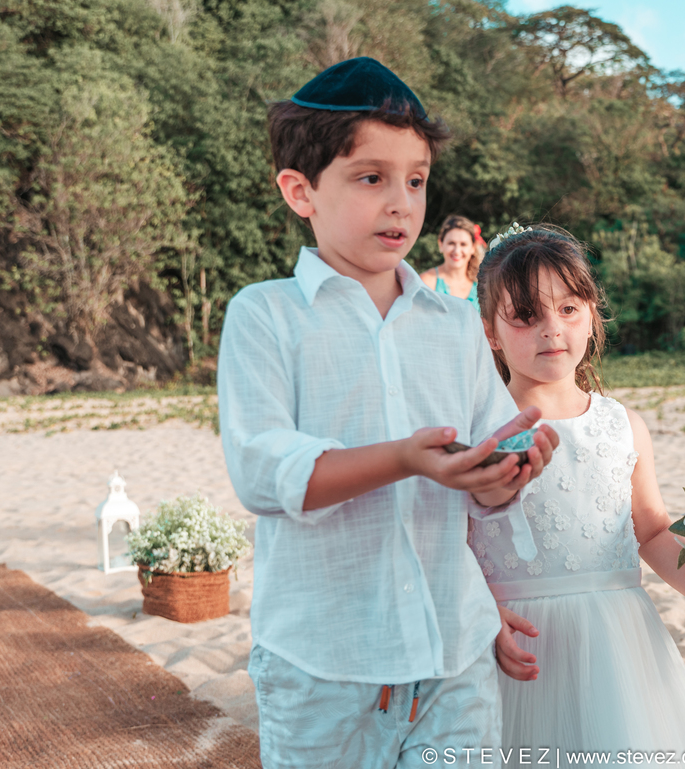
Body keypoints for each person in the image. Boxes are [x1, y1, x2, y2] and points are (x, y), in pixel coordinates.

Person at [217, 57, 559, 769]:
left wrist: (506, 475)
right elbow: (262, 470)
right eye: (371, 178)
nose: (401, 202)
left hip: (454, 650)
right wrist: (402, 458)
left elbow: (484, 468)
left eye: (416, 179)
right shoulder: (265, 315)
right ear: (300, 190)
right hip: (323, 666)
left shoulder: (454, 322)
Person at [466, 224, 685, 764]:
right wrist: (478, 608)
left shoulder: (620, 424)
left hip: (616, 641)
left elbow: (651, 530)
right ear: (491, 331)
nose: (551, 330)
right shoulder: (476, 429)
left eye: (568, 309)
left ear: (591, 313)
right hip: (511, 637)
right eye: (526, 315)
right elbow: (450, 542)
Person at [421, 214, 487, 312]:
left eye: (463, 244)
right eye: (451, 243)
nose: (457, 251)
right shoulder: (426, 282)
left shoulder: (482, 286)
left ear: (473, 247)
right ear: (441, 244)